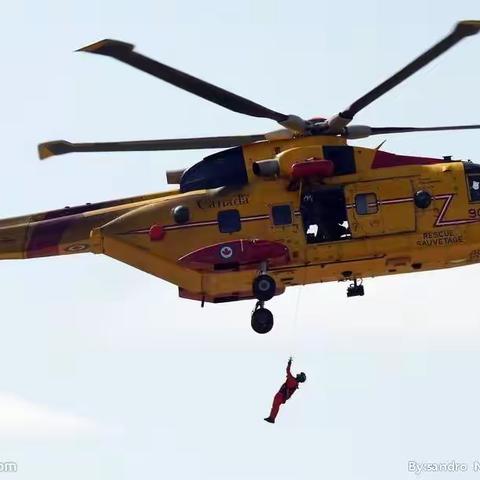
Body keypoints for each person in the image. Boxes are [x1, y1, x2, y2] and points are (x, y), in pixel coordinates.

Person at [264, 357, 306, 423]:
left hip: (281, 395)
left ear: (300, 377)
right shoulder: (295, 383)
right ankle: (271, 418)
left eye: (300, 374)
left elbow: (288, 371)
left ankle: (272, 418)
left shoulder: (293, 380)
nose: (298, 374)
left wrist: (289, 363)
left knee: (275, 406)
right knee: (275, 406)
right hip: (282, 396)